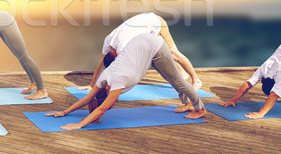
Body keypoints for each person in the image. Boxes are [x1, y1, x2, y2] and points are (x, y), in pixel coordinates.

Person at [46, 33, 206, 130]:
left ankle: (199, 109)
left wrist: (79, 125)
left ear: (107, 92)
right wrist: (64, 112)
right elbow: (88, 98)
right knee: (171, 79)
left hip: (154, 45)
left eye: (110, 100)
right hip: (140, 47)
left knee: (176, 80)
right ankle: (188, 103)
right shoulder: (105, 77)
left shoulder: (118, 81)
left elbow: (101, 110)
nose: (112, 103)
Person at [84, 12, 202, 92]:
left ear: (114, 56)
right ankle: (182, 73)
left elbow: (133, 70)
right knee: (166, 53)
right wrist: (92, 85)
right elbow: (101, 64)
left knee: (175, 54)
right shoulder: (108, 42)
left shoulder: (122, 46)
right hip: (144, 25)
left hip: (155, 23)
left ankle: (196, 80)